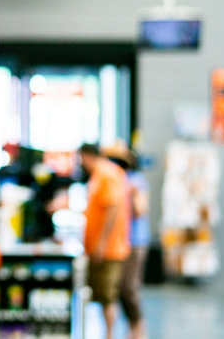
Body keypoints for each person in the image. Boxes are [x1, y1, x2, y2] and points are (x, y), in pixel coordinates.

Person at [80, 143, 131, 339]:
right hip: (102, 247)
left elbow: (112, 208)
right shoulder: (102, 175)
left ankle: (110, 335)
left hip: (110, 249)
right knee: (103, 296)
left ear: (87, 156)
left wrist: (101, 242)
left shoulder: (106, 174)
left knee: (108, 296)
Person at [107, 143, 150, 339]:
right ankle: (129, 329)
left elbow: (140, 211)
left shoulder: (136, 180)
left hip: (135, 241)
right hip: (118, 241)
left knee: (129, 288)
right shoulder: (115, 178)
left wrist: (132, 193)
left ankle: (138, 329)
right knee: (117, 289)